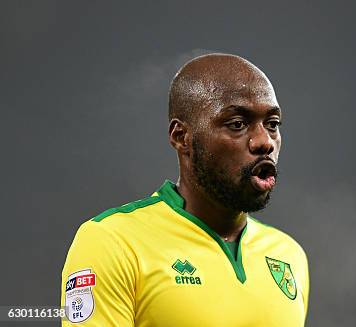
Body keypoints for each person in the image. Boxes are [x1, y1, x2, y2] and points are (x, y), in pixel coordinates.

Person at [60, 53, 309, 326]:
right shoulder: (113, 243)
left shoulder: (289, 255)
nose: (264, 142)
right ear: (182, 138)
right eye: (237, 124)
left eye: (272, 125)